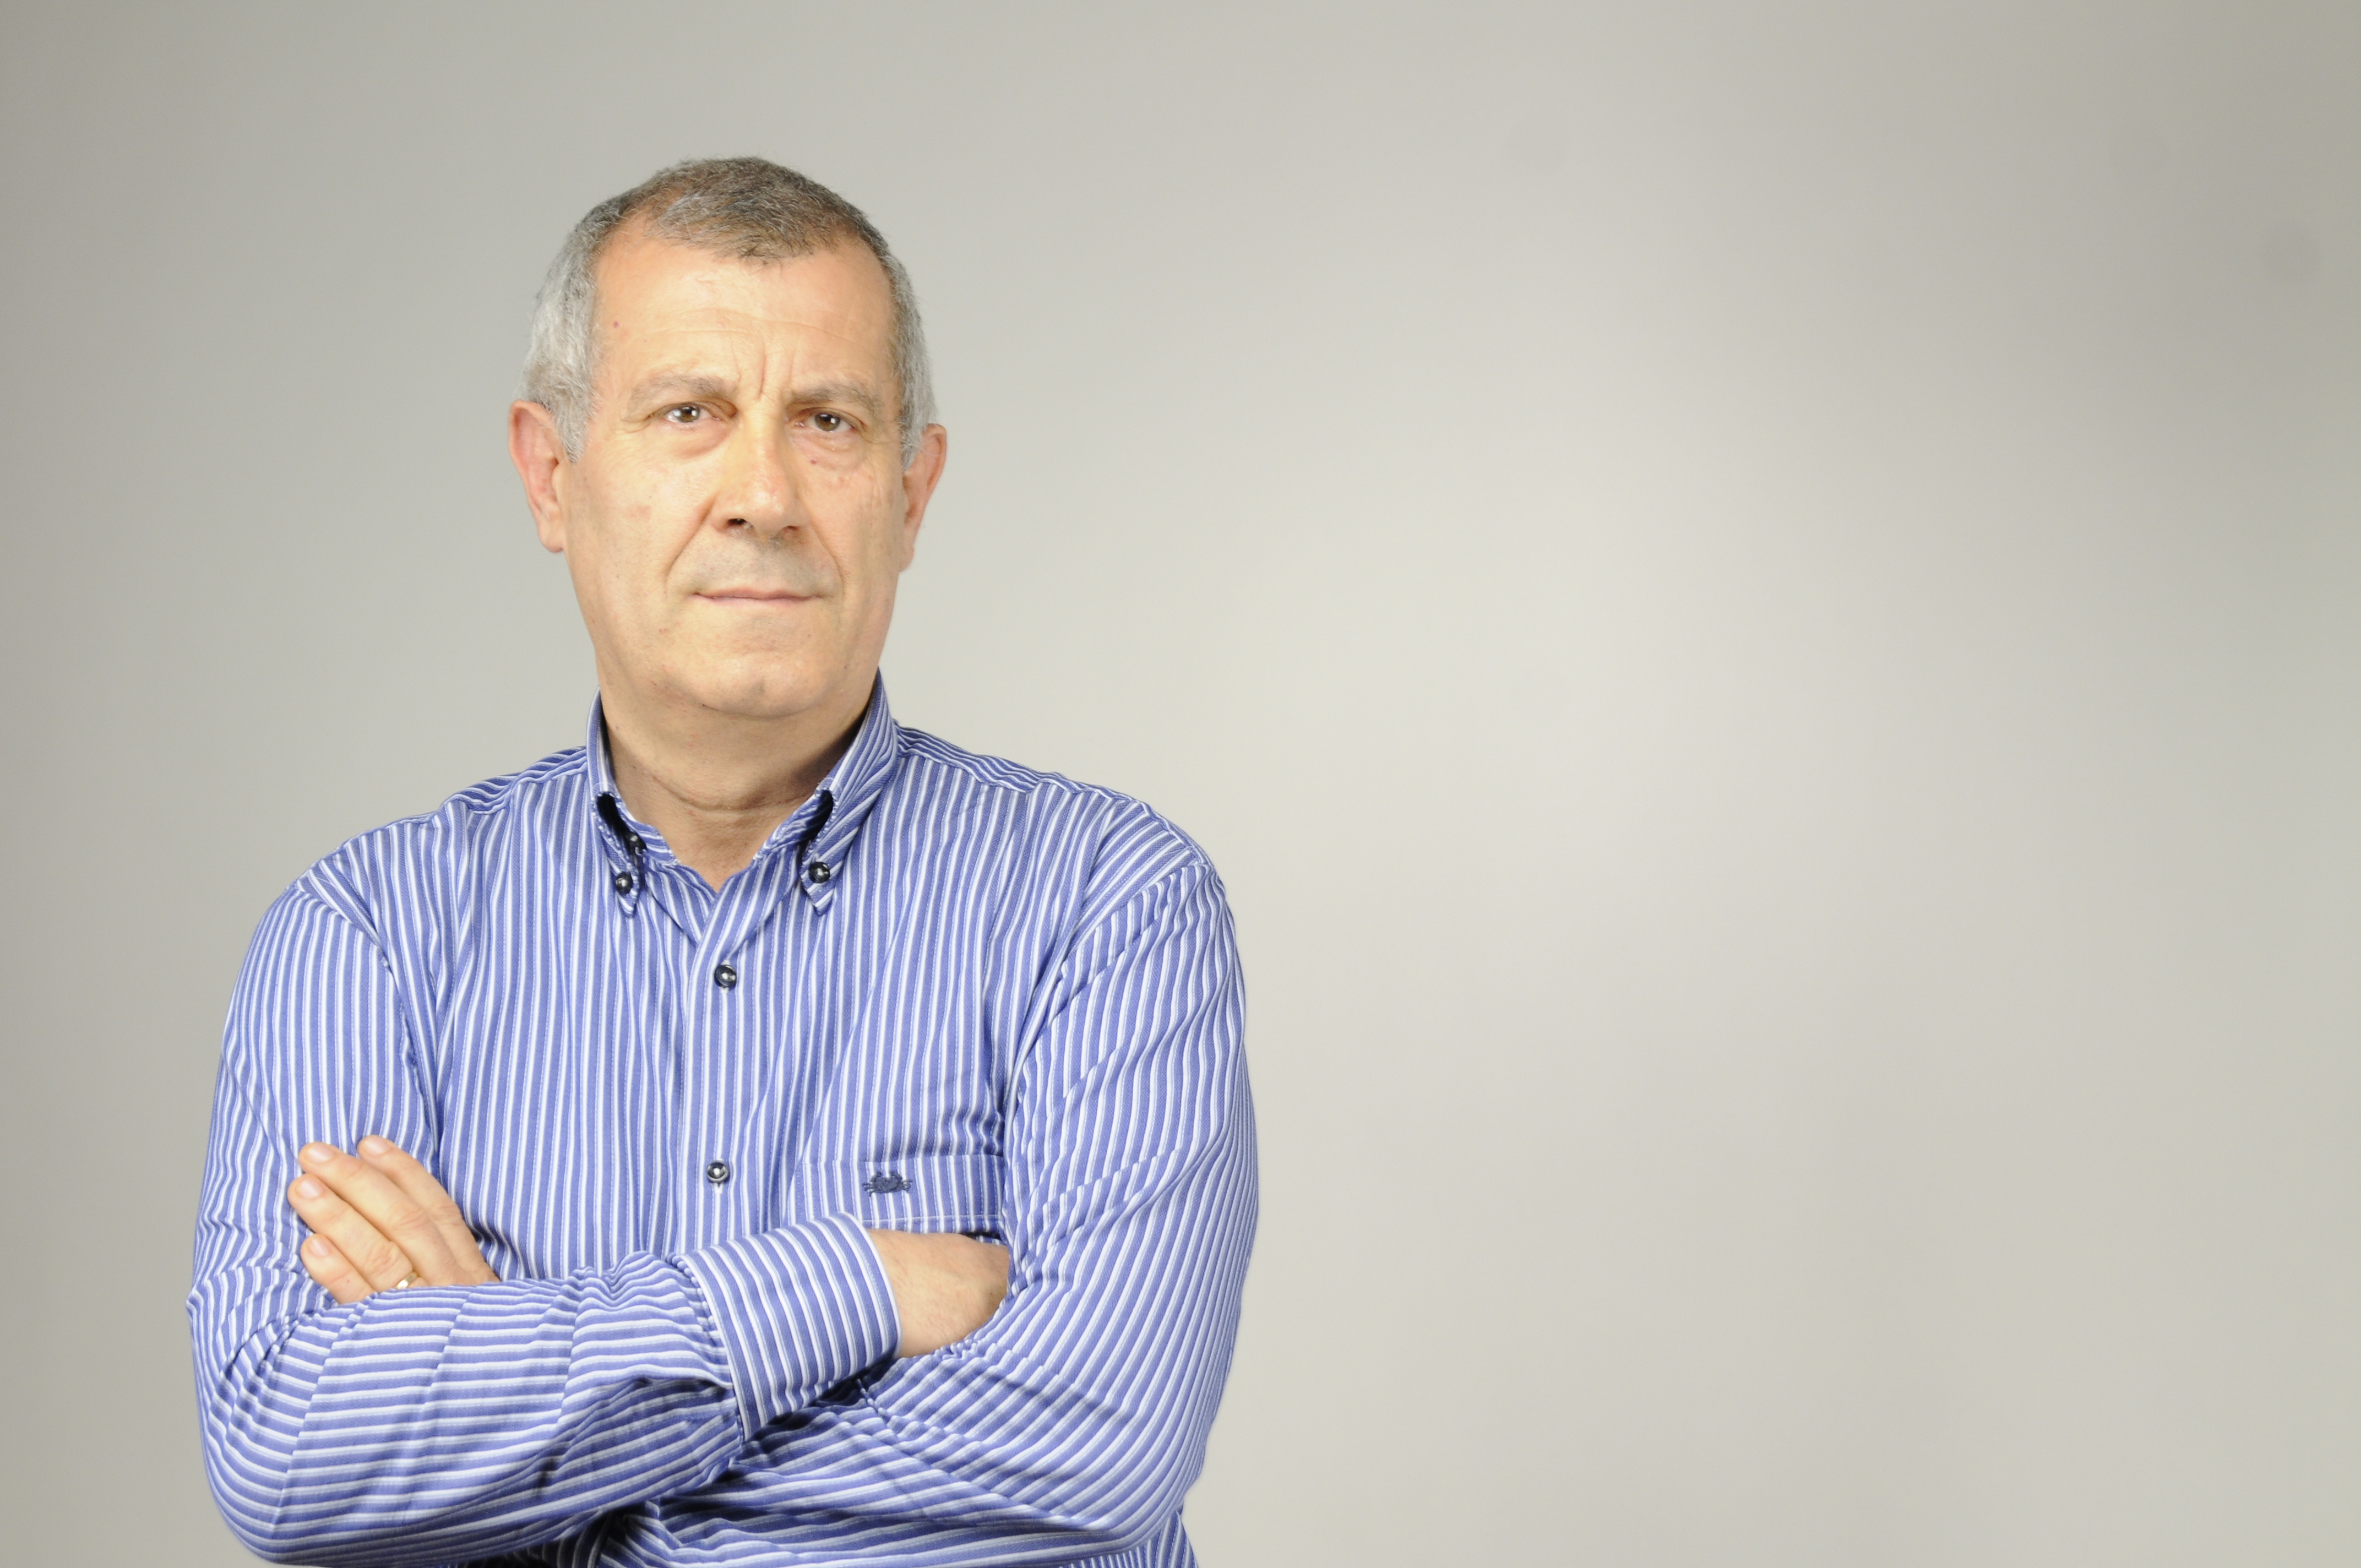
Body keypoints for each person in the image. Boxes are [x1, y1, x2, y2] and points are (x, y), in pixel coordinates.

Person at [188, 157, 1256, 1567]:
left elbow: (1091, 1454)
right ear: (551, 474)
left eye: (827, 420)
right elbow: (289, 1454)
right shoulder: (368, 936)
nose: (763, 492)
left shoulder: (1109, 907)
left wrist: (513, 1434)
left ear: (911, 492)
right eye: (689, 412)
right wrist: (851, 1282)